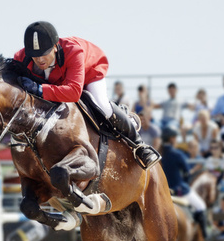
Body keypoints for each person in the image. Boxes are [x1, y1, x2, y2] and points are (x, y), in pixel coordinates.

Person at [14, 21, 159, 169]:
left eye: (44, 54)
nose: (39, 60)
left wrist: (39, 89)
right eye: (35, 56)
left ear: (55, 47)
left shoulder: (73, 51)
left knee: (103, 107)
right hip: (60, 81)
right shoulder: (21, 57)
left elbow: (73, 92)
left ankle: (139, 144)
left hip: (90, 72)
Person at [160, 126, 208, 239]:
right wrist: (186, 182)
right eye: (175, 138)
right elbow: (187, 173)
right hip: (180, 189)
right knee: (201, 206)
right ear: (172, 139)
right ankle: (203, 236)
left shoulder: (160, 154)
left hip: (166, 190)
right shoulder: (177, 154)